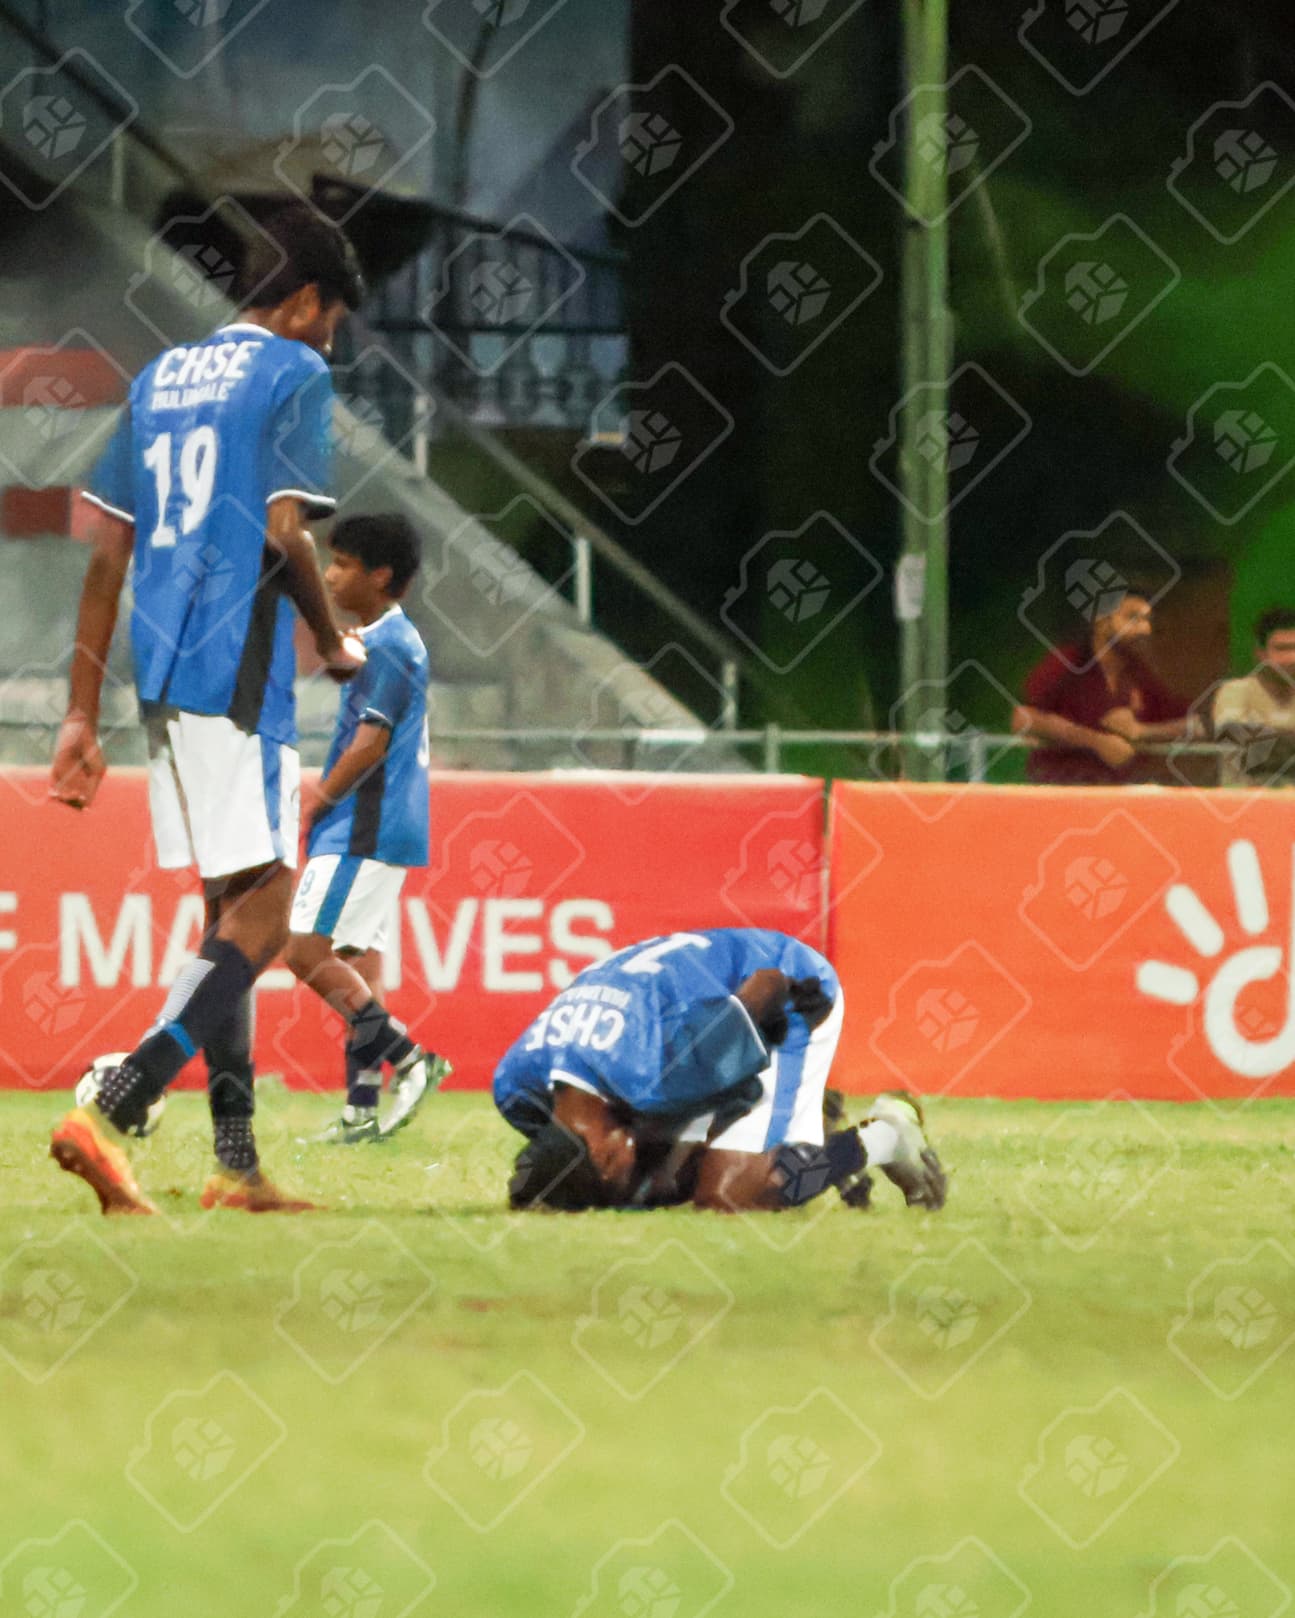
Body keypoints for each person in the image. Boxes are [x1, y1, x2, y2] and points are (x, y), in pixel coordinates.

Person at [47, 203, 382, 1215]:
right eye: (334, 321)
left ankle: (235, 1164)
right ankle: (114, 1105)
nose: (331, 342)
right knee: (270, 910)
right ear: (307, 301)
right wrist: (332, 638)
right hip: (237, 669)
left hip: (160, 672)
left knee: (228, 909)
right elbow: (285, 534)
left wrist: (79, 716)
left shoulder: (160, 377)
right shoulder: (293, 372)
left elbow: (106, 555)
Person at [493, 927, 947, 1214]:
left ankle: (884, 1137)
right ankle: (810, 1125)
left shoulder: (653, 1069)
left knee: (730, 1193)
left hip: (788, 987)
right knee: (663, 1180)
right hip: (685, 1023)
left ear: (607, 1151)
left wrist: (771, 1086)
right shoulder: (515, 1086)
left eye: (613, 1176)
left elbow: (768, 984)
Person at [284, 514, 450, 1142]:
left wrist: (318, 800)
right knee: (360, 970)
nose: (329, 575)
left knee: (305, 952)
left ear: (381, 576)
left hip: (363, 824)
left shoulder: (390, 647)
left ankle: (411, 1058)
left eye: (344, 564)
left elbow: (371, 743)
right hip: (382, 825)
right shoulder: (391, 639)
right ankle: (360, 1112)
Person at [1013, 585, 1189, 784]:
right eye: (1133, 618)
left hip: (1117, 793)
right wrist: (1096, 742)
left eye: (1147, 620)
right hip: (1061, 789)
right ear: (1101, 621)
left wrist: (1143, 731)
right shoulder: (1068, 660)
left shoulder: (1140, 673)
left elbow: (1191, 723)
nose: (1145, 629)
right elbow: (1022, 718)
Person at [1210, 608, 1295, 788]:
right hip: (1244, 802)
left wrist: (1270, 738)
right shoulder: (1235, 692)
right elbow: (1250, 753)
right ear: (1261, 654)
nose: (1292, 658)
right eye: (1282, 649)